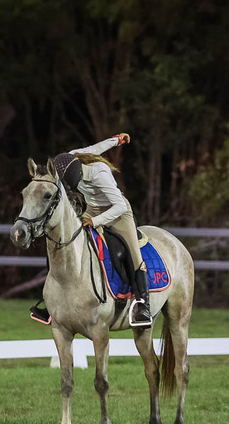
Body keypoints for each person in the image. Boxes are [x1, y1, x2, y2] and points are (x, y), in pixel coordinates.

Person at [30, 133, 152, 327]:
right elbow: (96, 148)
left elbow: (119, 205)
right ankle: (53, 301)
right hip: (91, 208)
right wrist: (117, 140)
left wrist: (95, 221)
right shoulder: (72, 157)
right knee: (61, 243)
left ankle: (143, 305)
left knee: (134, 254)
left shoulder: (100, 174)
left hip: (118, 213)